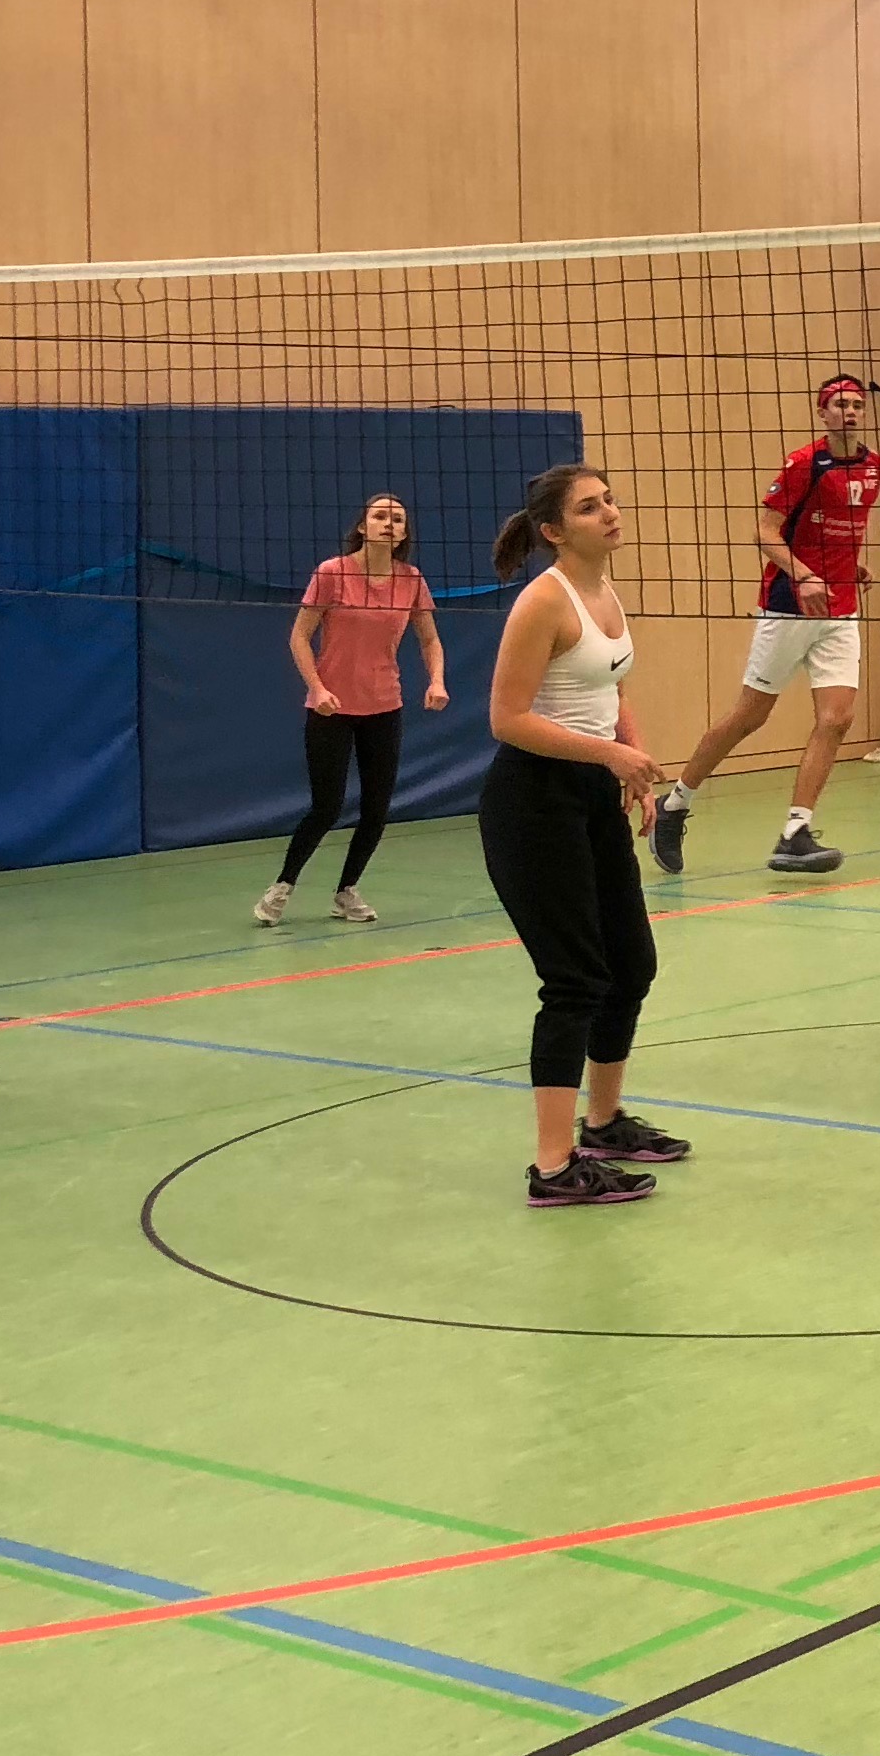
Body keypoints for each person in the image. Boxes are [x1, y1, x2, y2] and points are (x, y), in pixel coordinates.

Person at [477, 463, 690, 1207]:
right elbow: (507, 719)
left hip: (592, 794)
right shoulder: (544, 601)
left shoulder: (605, 589)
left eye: (610, 500)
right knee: (574, 980)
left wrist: (633, 762)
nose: (610, 513)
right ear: (554, 531)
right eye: (590, 507)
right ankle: (552, 1166)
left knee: (631, 965)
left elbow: (611, 689)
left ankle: (602, 1123)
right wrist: (608, 755)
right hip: (534, 802)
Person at [653, 374, 880, 879]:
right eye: (839, 404)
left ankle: (795, 833)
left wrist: (849, 566)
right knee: (749, 716)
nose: (849, 411)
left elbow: (842, 530)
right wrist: (804, 573)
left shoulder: (876, 467)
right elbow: (764, 531)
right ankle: (674, 804)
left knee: (837, 719)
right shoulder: (805, 464)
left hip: (841, 610)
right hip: (788, 605)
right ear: (822, 413)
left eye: (856, 404)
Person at [255, 491, 446, 927]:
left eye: (398, 519)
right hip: (331, 708)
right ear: (363, 527)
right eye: (380, 516)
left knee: (377, 809)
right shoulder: (332, 573)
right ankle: (282, 885)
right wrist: (318, 688)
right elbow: (299, 636)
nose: (389, 524)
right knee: (327, 807)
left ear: (404, 534)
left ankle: (346, 891)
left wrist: (436, 680)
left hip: (384, 706)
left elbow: (430, 639)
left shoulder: (411, 580)